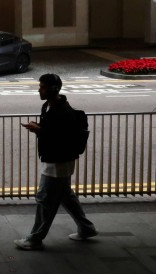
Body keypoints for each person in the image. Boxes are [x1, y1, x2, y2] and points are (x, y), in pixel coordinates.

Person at [14, 73, 97, 250]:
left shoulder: (62, 111)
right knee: (66, 196)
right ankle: (86, 228)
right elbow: (52, 131)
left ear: (53, 89)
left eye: (42, 87)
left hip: (57, 163)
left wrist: (39, 130)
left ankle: (35, 239)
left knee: (45, 200)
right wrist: (39, 128)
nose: (39, 89)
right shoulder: (49, 107)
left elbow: (59, 137)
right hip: (57, 161)